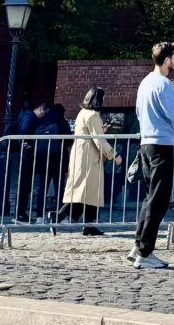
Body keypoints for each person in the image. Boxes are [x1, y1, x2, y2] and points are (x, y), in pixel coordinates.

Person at [129, 41, 174, 269]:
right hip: (161, 144)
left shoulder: (145, 82)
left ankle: (138, 244)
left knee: (149, 197)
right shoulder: (165, 84)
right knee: (159, 201)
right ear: (168, 59)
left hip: (146, 143)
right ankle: (145, 252)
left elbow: (139, 112)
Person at [57, 87, 122, 236]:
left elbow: (92, 134)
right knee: (85, 191)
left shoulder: (83, 113)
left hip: (83, 155)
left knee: (88, 192)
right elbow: (99, 140)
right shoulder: (92, 115)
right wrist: (114, 155)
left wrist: (101, 130)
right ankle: (60, 216)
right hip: (89, 157)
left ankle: (89, 225)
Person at [15, 102, 49, 223]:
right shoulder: (30, 117)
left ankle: (20, 213)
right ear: (40, 109)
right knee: (25, 184)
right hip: (26, 155)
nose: (43, 115)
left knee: (25, 184)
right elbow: (24, 131)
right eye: (44, 112)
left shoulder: (28, 116)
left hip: (25, 155)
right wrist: (29, 145)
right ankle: (20, 213)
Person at [35, 104, 69, 220]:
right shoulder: (62, 122)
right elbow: (69, 141)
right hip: (58, 160)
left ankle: (39, 216)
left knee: (42, 189)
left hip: (43, 160)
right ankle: (60, 215)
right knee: (59, 189)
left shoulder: (43, 120)